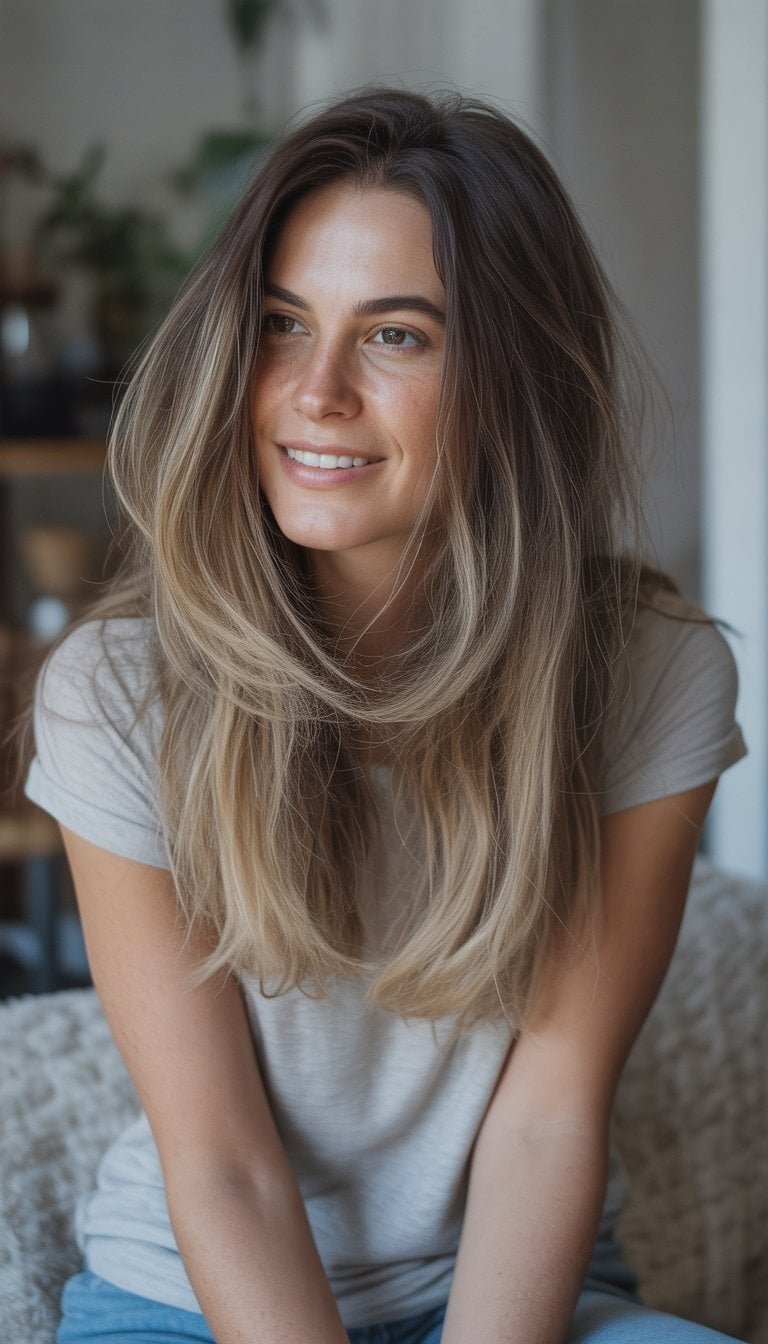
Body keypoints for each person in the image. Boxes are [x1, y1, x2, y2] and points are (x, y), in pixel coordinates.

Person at [25, 88, 746, 1344]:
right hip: (191, 1302)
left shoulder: (650, 669)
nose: (315, 392)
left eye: (397, 336)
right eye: (280, 324)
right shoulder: (117, 692)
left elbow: (549, 1114)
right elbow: (225, 1163)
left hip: (521, 1297)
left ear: (516, 371)